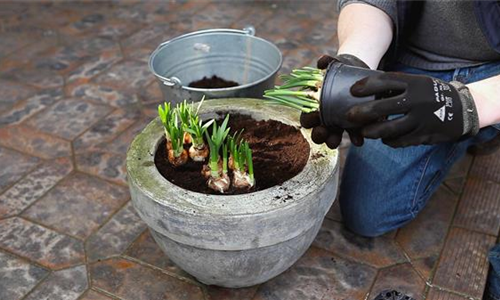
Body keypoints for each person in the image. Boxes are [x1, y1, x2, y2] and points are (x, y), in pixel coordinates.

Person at [300, 1, 500, 299]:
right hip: (418, 59)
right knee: (367, 214)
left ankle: (482, 125)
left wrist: (472, 106)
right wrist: (357, 59)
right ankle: (473, 132)